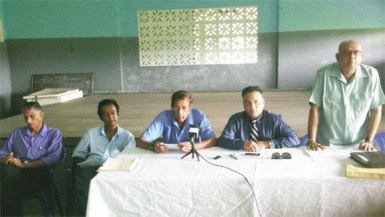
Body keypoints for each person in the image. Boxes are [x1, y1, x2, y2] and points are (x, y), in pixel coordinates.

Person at [307, 39, 385, 151]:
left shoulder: (371, 75)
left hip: (359, 144)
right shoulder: (323, 74)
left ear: (361, 57)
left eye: (356, 53)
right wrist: (312, 139)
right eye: (347, 53)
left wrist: (369, 140)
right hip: (327, 143)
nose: (352, 56)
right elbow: (315, 108)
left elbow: (376, 109)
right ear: (338, 57)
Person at [72, 99, 136, 215]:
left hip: (116, 172)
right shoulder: (91, 133)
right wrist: (89, 164)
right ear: (101, 117)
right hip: (93, 169)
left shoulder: (127, 137)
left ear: (118, 115)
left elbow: (128, 159)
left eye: (113, 113)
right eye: (106, 114)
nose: (110, 117)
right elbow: (77, 155)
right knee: (84, 183)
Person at [0, 102, 64, 216]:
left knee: (7, 183)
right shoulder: (17, 133)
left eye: (32, 116)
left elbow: (53, 158)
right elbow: (2, 154)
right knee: (9, 171)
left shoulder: (53, 134)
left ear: (41, 115)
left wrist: (24, 164)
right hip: (16, 173)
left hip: (39, 173)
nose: (28, 121)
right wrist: (6, 159)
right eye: (25, 117)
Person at [217, 86, 300, 151]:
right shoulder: (236, 119)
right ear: (243, 104)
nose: (252, 107)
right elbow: (222, 140)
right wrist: (243, 144)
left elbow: (294, 140)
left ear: (263, 103)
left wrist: (268, 144)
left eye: (256, 102)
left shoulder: (273, 119)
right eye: (248, 103)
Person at [138, 90, 216, 153]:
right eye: (176, 108)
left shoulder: (198, 116)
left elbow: (212, 140)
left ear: (190, 108)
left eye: (184, 108)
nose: (180, 112)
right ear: (172, 107)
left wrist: (194, 146)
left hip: (192, 155)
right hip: (168, 157)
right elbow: (141, 141)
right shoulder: (164, 117)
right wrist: (153, 146)